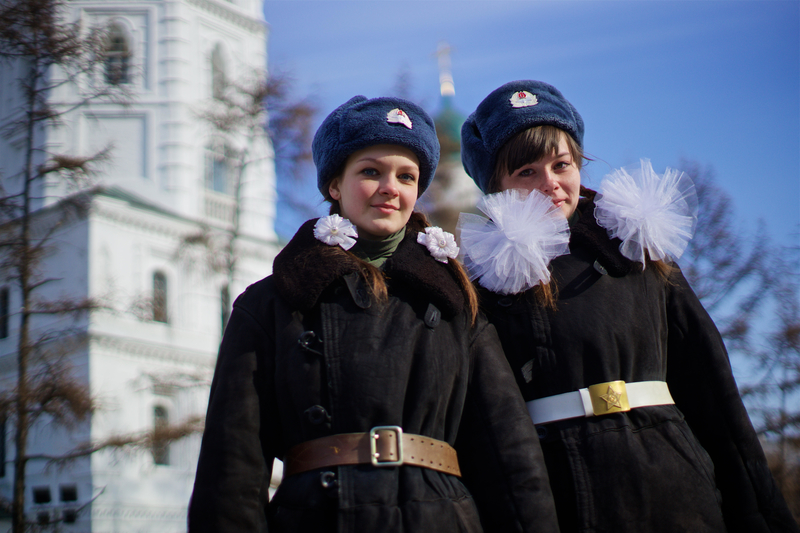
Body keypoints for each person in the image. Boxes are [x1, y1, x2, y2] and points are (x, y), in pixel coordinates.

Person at [188, 95, 559, 533]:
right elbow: (232, 466)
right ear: (333, 185)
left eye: (406, 176)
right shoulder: (270, 304)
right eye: (370, 172)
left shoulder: (458, 303)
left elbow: (509, 458)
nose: (390, 188)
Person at [457, 80, 799, 533]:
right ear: (496, 186)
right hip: (564, 493)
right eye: (526, 173)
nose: (551, 184)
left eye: (562, 164)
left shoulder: (641, 252)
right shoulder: (481, 283)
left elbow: (713, 392)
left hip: (675, 484)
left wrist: (760, 516)